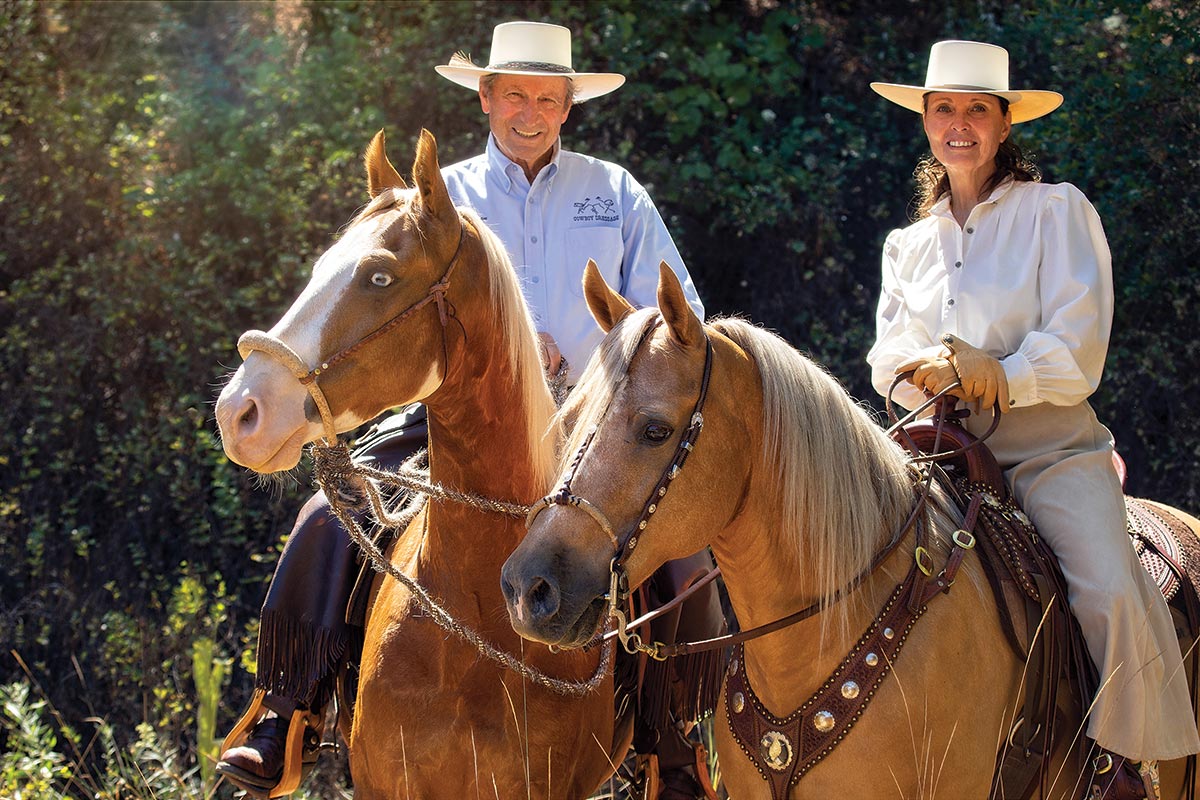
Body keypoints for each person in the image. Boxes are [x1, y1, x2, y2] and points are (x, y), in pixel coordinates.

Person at [216, 20, 719, 799]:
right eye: (514, 93)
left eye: (547, 97)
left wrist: (596, 352)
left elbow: (676, 317)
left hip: (587, 423)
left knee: (683, 555)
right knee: (326, 512)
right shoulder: (434, 197)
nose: (530, 111)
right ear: (485, 97)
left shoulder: (614, 192)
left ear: (567, 106)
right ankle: (289, 711)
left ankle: (676, 747)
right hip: (443, 415)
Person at [866, 39, 1200, 799]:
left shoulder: (1058, 211)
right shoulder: (907, 245)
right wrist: (925, 370)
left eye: (976, 109)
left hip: (1047, 450)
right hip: (934, 450)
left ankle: (1126, 765)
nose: (959, 123)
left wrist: (997, 373)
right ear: (924, 119)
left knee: (1109, 586)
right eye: (943, 108)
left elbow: (1080, 349)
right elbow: (885, 356)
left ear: (1004, 122)